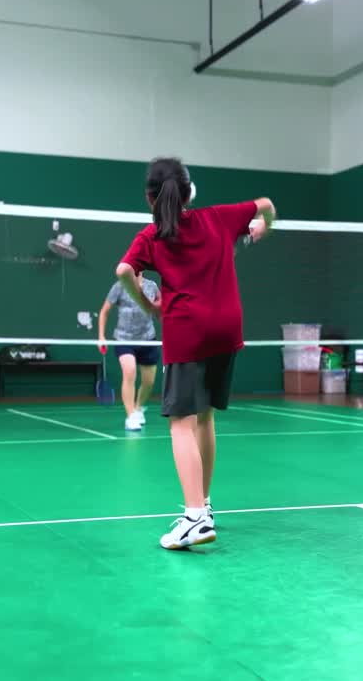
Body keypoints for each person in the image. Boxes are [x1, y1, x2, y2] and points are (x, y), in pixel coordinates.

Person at [116, 157, 275, 550]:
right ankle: (203, 504)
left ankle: (194, 518)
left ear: (148, 197)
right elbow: (267, 204)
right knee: (204, 417)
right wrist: (260, 230)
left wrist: (146, 303)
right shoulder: (219, 218)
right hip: (228, 328)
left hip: (189, 330)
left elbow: (123, 271)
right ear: (189, 191)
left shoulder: (151, 236)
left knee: (180, 422)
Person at [98, 272, 160, 431]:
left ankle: (138, 408)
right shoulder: (119, 286)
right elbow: (104, 311)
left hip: (147, 338)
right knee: (130, 371)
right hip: (124, 339)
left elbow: (160, 308)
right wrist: (101, 336)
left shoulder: (151, 286)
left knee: (149, 381)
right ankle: (130, 415)